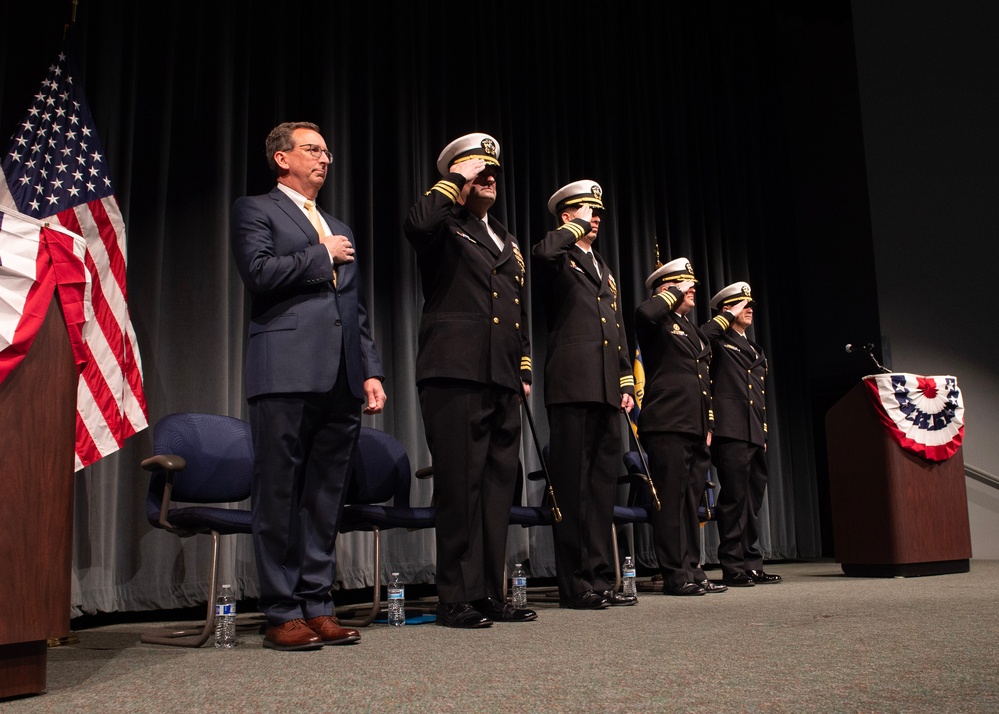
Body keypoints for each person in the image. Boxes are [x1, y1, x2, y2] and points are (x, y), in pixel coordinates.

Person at [230, 121, 387, 650]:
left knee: (324, 499)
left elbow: (356, 310)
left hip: (340, 378)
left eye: (327, 152)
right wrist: (322, 256)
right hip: (285, 371)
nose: (325, 159)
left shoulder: (337, 224)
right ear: (282, 158)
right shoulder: (255, 209)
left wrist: (369, 369)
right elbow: (258, 272)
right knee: (277, 494)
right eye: (313, 150)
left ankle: (318, 605)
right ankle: (280, 611)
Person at [404, 132, 538, 628]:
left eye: (492, 171)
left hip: (502, 377)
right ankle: (455, 596)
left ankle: (489, 592)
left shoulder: (507, 238)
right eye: (476, 169)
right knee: (461, 486)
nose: (488, 176)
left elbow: (517, 311)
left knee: (498, 488)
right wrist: (450, 184)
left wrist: (523, 367)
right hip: (454, 370)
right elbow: (416, 224)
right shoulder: (444, 223)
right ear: (455, 174)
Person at [532, 180, 636, 609]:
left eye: (597, 214)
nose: (594, 219)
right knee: (572, 487)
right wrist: (572, 230)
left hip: (608, 390)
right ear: (566, 215)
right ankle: (574, 583)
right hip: (573, 385)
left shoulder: (604, 268)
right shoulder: (559, 255)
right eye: (584, 212)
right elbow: (541, 254)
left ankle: (599, 576)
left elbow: (617, 331)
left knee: (600, 489)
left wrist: (626, 378)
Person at [633, 257, 728, 596]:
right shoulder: (657, 320)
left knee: (691, 502)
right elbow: (643, 314)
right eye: (683, 284)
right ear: (666, 288)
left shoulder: (690, 329)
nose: (692, 290)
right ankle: (675, 573)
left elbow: (703, 382)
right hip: (667, 421)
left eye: (692, 285)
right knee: (671, 502)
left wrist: (709, 422)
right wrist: (671, 294)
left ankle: (693, 568)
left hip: (695, 424)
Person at [701, 281, 782, 587]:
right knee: (733, 498)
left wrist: (763, 431)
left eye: (750, 305)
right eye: (741, 305)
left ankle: (752, 562)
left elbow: (758, 396)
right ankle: (732, 565)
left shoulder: (756, 350)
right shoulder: (719, 342)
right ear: (727, 309)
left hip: (753, 431)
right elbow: (700, 337)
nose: (749, 309)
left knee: (752, 500)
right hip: (730, 428)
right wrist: (723, 319)